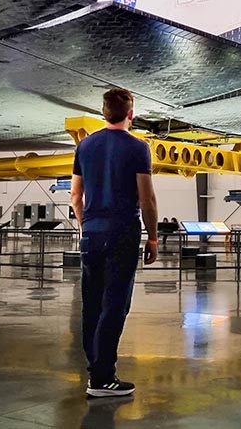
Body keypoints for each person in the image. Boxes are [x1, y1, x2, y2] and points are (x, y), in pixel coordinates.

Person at [71, 88, 158, 399]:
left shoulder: (85, 146)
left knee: (92, 303)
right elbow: (146, 199)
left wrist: (87, 227)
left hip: (91, 235)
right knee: (115, 304)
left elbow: (75, 197)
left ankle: (95, 369)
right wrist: (153, 236)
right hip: (122, 233)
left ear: (103, 112)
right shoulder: (138, 147)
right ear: (130, 115)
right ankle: (103, 377)